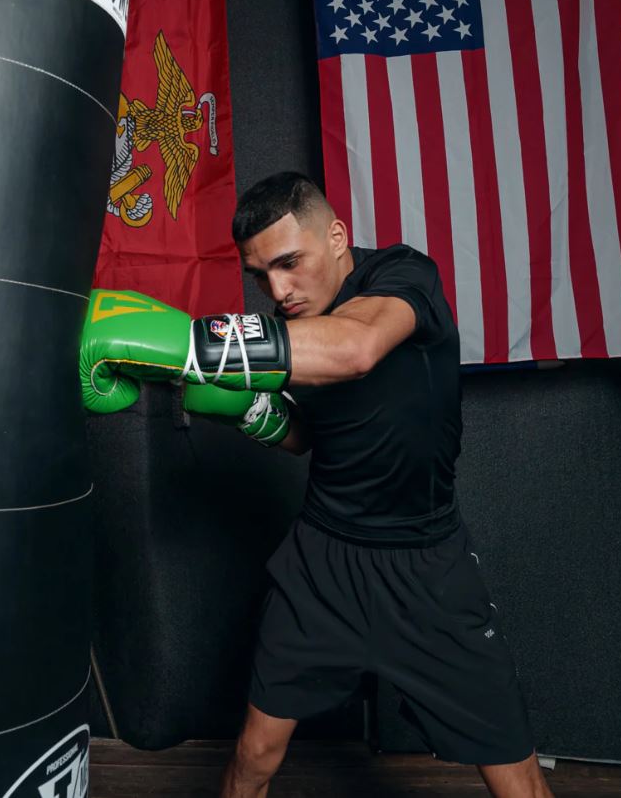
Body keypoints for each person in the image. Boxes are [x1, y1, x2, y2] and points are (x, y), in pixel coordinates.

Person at [80, 172, 552, 798]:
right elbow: (309, 437)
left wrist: (186, 345)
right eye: (261, 276)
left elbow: (357, 347)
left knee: (515, 779)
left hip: (426, 568)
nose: (278, 290)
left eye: (288, 263)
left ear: (335, 236)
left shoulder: (405, 277)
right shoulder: (285, 333)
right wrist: (253, 413)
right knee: (253, 756)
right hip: (322, 564)